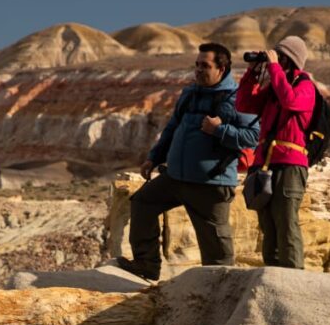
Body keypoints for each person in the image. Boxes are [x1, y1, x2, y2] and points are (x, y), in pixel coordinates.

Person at [116, 42, 260, 281]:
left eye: (205, 66)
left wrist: (219, 130)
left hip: (210, 184)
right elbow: (173, 128)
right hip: (176, 177)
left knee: (216, 247)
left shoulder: (238, 98)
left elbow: (253, 137)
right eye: (197, 65)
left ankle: (222, 287)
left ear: (221, 69)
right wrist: (154, 158)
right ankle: (146, 265)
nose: (198, 70)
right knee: (142, 203)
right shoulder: (190, 93)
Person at [236, 36, 314, 269]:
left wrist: (274, 68)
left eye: (280, 56)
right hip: (265, 163)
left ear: (290, 59)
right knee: (267, 223)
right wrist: (252, 73)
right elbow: (244, 104)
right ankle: (272, 273)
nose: (275, 59)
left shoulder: (305, 86)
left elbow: (290, 101)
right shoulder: (274, 89)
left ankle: (293, 275)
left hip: (290, 164)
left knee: (286, 220)